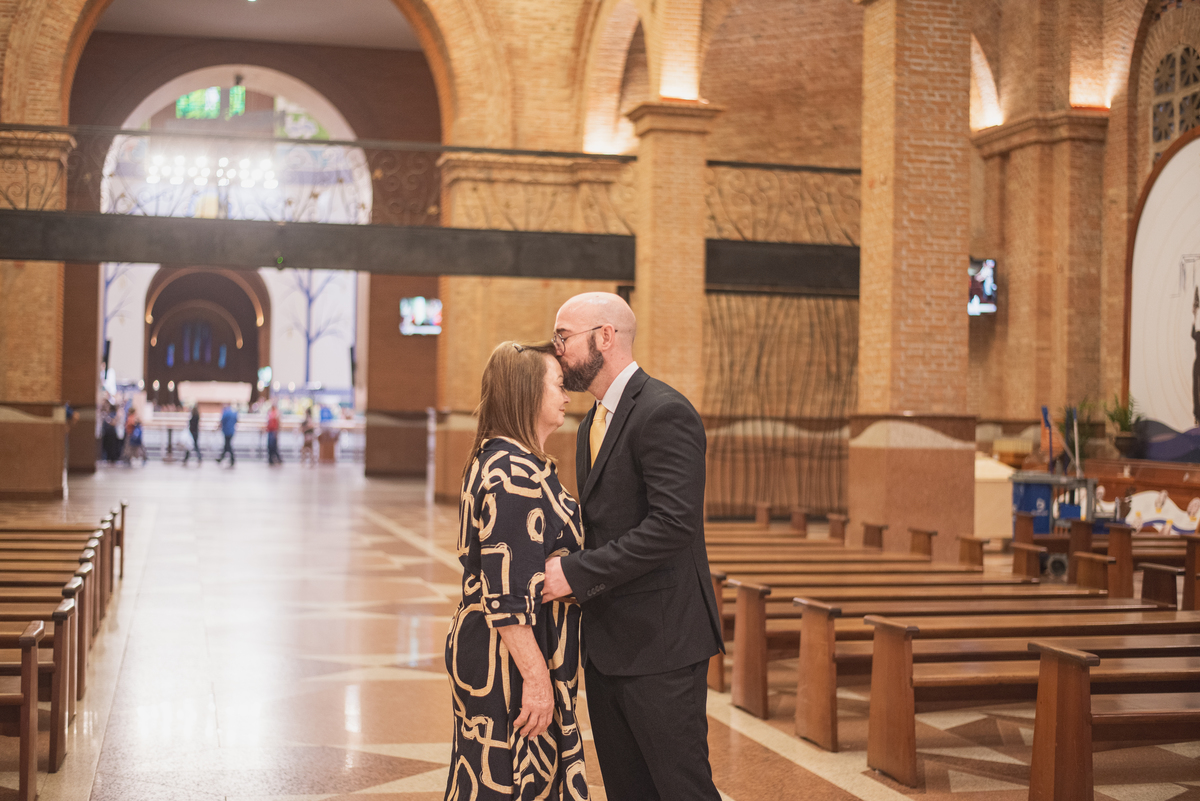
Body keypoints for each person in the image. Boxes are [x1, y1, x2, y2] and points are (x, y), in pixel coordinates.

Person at [542, 292, 724, 801]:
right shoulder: (589, 424)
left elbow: (672, 525)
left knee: (681, 788)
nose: (557, 350)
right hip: (608, 643)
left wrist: (575, 574)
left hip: (662, 643)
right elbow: (603, 522)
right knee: (628, 789)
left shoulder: (664, 411)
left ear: (606, 337)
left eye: (564, 337)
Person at [444, 340, 587, 801]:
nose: (567, 396)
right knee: (513, 782)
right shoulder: (514, 471)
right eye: (558, 386)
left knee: (500, 777)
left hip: (497, 650)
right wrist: (538, 680)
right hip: (506, 658)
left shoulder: (506, 459)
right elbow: (507, 595)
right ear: (527, 393)